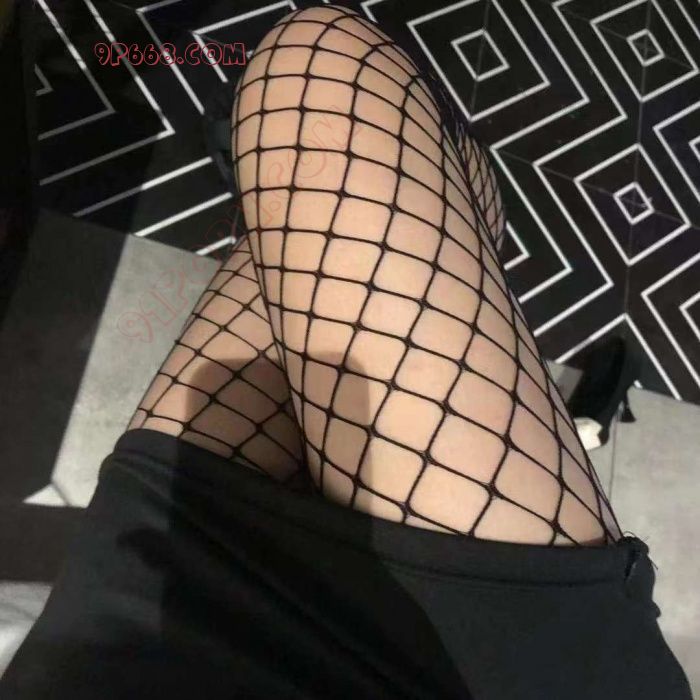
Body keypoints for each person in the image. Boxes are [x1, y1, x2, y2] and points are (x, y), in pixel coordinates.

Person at [1, 6, 692, 698]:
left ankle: (337, 212)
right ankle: (394, 208)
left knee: (314, 180)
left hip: (146, 638)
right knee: (319, 70)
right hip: (467, 670)